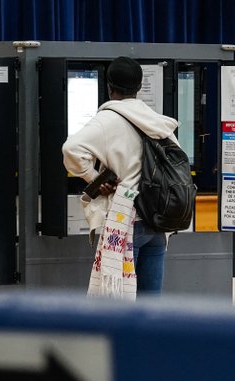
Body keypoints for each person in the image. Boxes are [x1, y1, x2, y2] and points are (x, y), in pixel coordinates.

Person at [62, 56, 182, 299]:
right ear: (139, 87)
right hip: (157, 221)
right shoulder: (155, 120)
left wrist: (94, 178)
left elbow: (70, 149)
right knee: (150, 304)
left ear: (109, 86)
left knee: (119, 299)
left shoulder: (107, 120)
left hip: (125, 218)